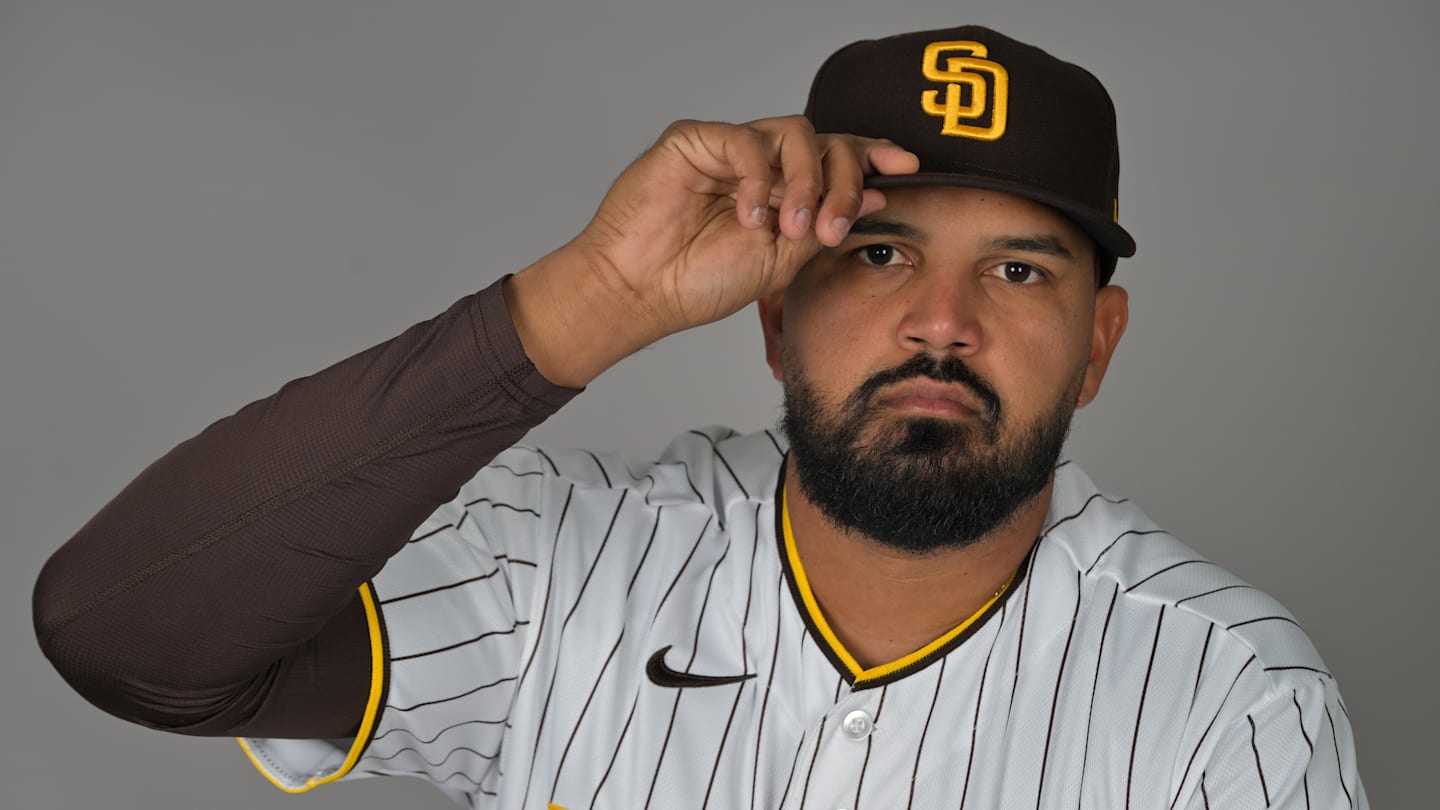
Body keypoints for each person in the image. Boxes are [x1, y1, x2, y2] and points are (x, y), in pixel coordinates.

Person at [33, 24, 1366, 809]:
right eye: (879, 253)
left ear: (1097, 348)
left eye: (1019, 272)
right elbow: (125, 635)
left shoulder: (1227, 701)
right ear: (776, 314)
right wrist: (594, 298)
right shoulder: (558, 564)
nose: (942, 322)